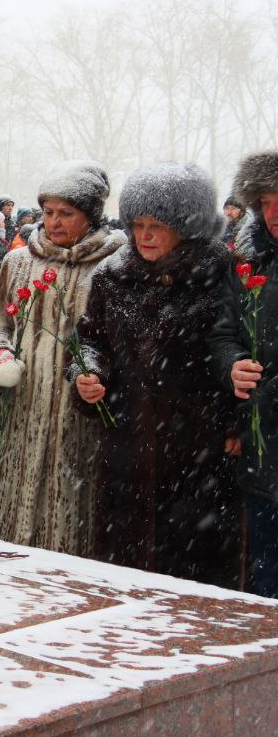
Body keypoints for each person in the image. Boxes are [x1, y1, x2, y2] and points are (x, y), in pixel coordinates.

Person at [74, 163, 240, 587]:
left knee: (192, 559)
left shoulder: (219, 274)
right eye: (138, 224)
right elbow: (90, 339)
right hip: (128, 437)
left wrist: (234, 421)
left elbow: (234, 349)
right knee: (125, 557)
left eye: (157, 226)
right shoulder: (113, 275)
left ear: (187, 226)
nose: (144, 236)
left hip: (197, 441)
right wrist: (89, 375)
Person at [0, 161, 125, 556]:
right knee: (6, 516)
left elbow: (120, 340)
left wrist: (96, 377)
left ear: (90, 217)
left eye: (66, 213)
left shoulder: (114, 266)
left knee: (71, 515)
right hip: (20, 410)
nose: (54, 222)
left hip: (79, 416)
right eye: (48, 212)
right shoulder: (18, 262)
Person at [210, 151, 278, 597]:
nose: (273, 214)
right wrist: (232, 365)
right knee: (265, 580)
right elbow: (223, 332)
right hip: (264, 456)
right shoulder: (248, 262)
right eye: (265, 202)